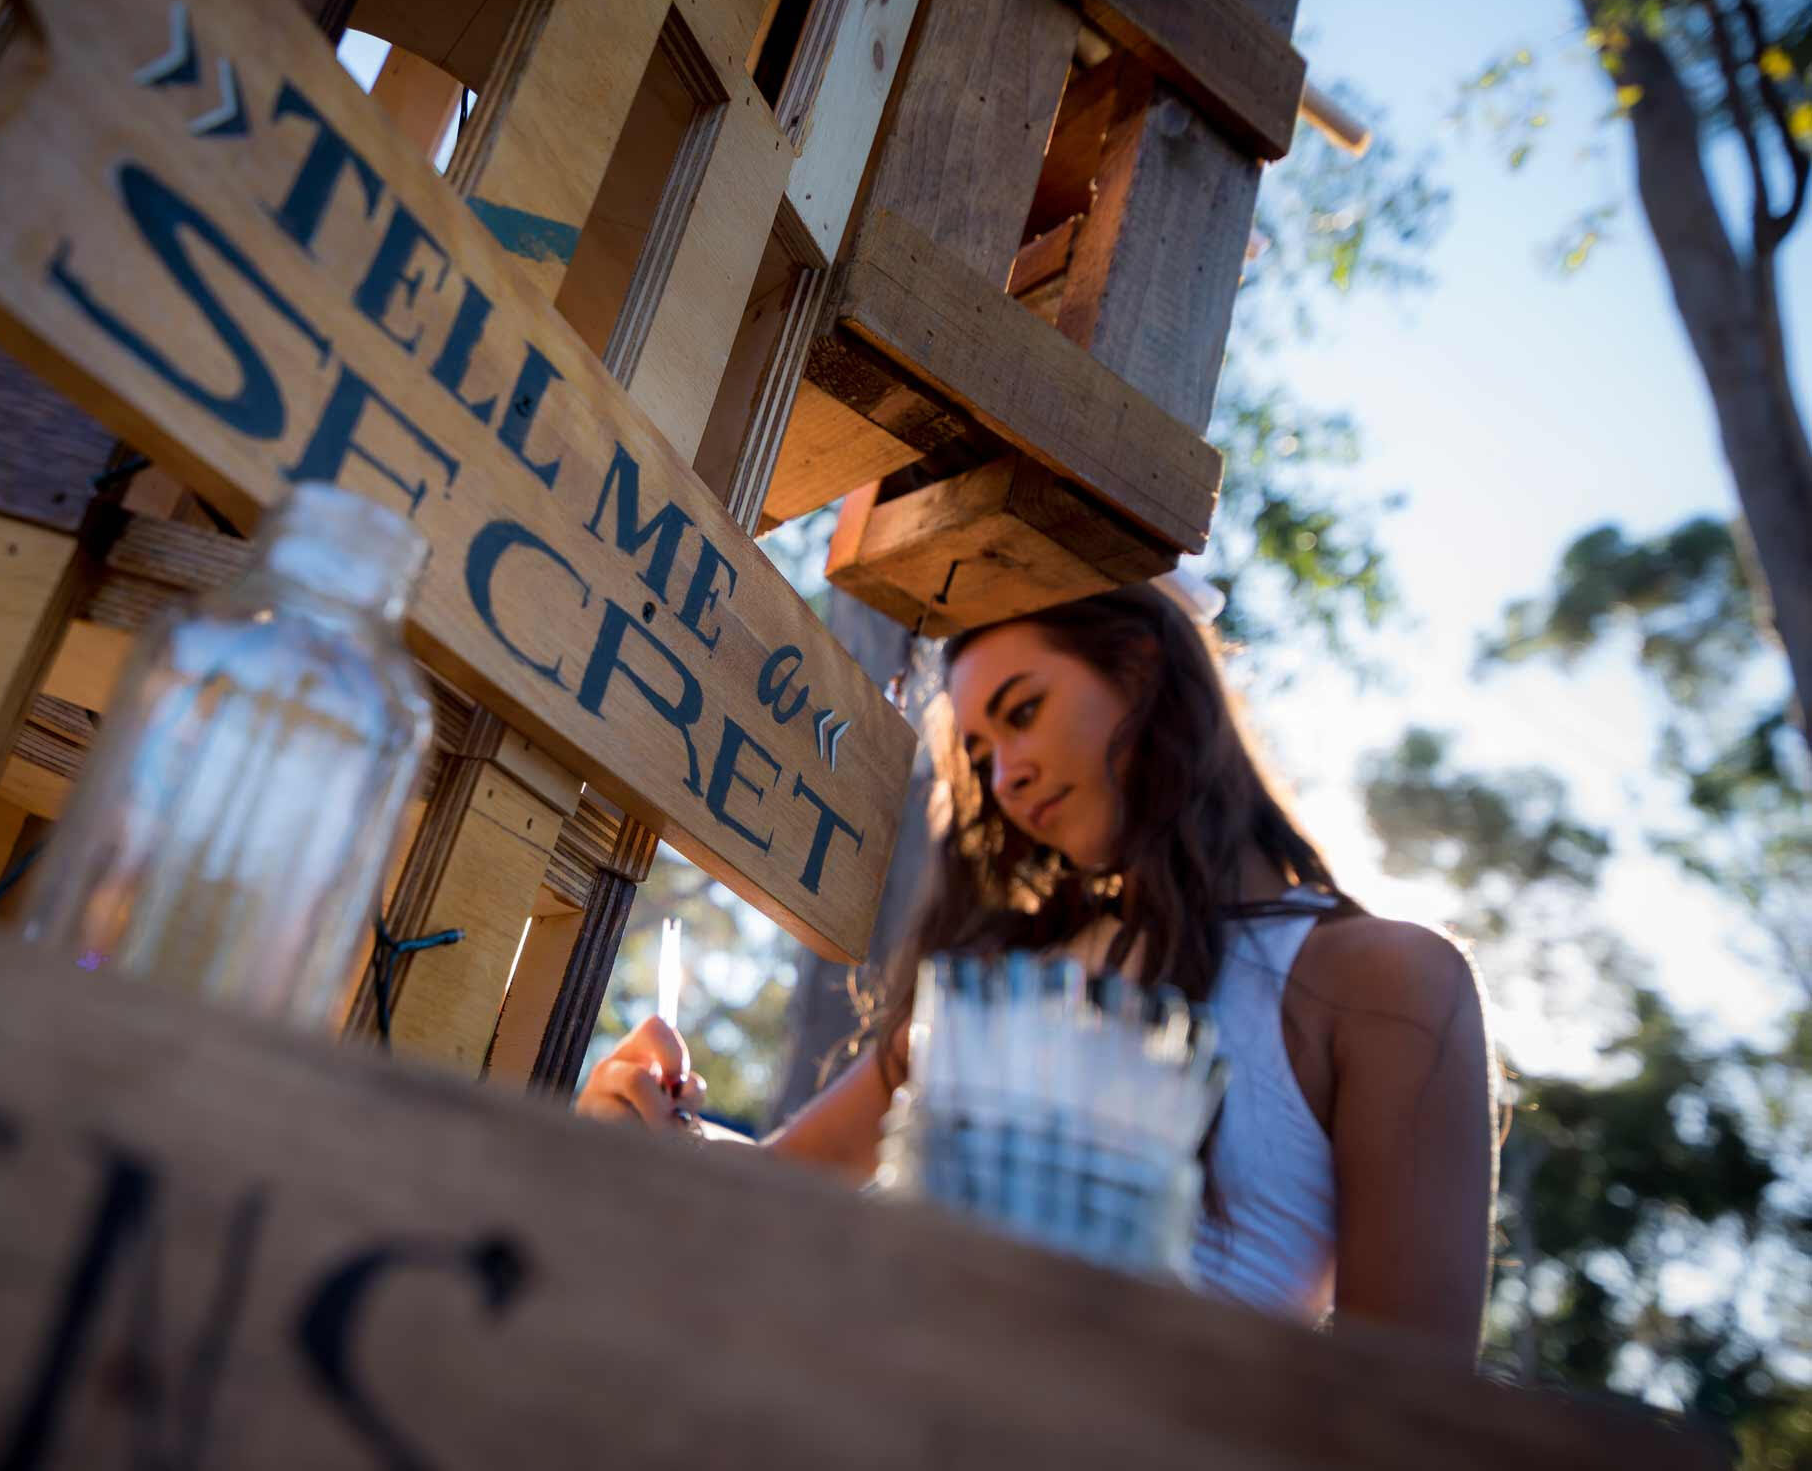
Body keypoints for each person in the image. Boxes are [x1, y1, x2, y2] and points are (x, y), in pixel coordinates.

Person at [577, 582, 1496, 1361]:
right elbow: (775, 1188)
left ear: (1140, 670)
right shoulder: (994, 991)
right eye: (979, 752)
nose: (1005, 776)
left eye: (1022, 713)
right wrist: (663, 1124)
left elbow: (1408, 1417)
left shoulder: (1386, 984)